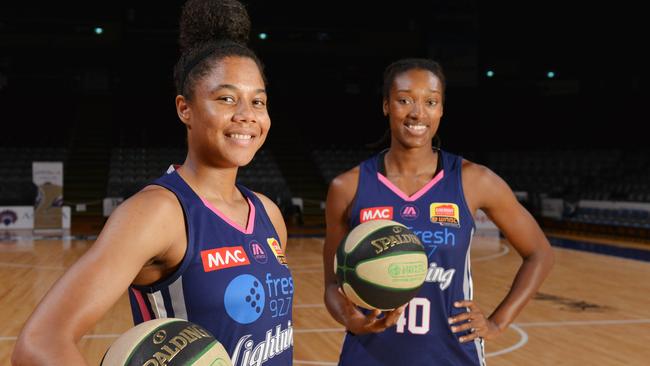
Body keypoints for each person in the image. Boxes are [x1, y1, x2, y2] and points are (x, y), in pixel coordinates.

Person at [12, 1, 293, 365]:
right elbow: (39, 343)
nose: (246, 115)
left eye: (258, 101)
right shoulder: (159, 212)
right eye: (226, 98)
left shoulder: (268, 212)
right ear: (184, 108)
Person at [322, 58, 554, 365]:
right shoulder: (348, 187)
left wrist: (498, 322)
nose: (418, 113)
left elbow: (540, 253)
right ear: (386, 105)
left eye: (430, 102)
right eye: (404, 100)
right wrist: (351, 319)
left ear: (441, 109)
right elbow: (331, 285)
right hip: (369, 354)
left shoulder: (474, 180)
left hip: (452, 355)